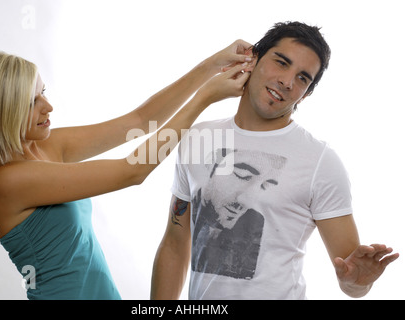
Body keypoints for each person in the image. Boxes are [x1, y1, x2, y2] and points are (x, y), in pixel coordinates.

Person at [0, 41, 254, 300]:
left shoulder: (43, 147)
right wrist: (204, 98)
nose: (48, 106)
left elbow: (138, 121)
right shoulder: (8, 180)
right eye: (32, 101)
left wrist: (211, 66)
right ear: (1, 111)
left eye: (43, 92)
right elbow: (132, 171)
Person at [151, 21, 399, 300]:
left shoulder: (321, 162)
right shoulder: (199, 138)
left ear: (306, 95)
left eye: (303, 78)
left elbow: (351, 277)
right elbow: (174, 245)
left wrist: (357, 283)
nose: (287, 81)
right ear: (253, 59)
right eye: (281, 62)